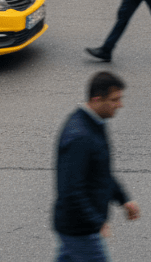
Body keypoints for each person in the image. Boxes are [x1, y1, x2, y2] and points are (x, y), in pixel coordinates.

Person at [52, 72, 139, 262]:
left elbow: (101, 172)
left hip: (78, 225)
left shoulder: (94, 123)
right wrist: (97, 222)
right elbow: (70, 191)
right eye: (115, 100)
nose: (120, 105)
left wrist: (123, 199)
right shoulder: (80, 136)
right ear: (97, 99)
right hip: (80, 229)